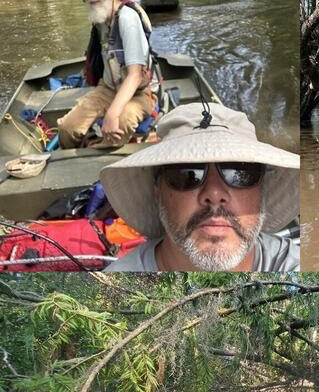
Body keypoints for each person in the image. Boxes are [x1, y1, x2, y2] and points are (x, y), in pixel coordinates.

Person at [100, 102, 300, 272]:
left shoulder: (293, 263)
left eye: (240, 173)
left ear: (262, 191)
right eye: (187, 174)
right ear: (158, 193)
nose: (214, 194)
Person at [59, 0, 154, 149]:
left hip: (139, 93)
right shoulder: (100, 19)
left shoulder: (127, 19)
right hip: (108, 88)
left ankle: (101, 153)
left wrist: (112, 114)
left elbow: (135, 76)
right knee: (67, 129)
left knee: (119, 124)